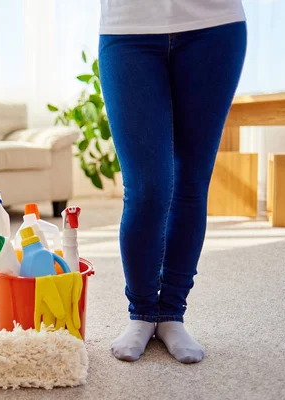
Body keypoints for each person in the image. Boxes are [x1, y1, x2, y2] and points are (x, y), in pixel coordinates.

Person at [97, 0, 247, 363]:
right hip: (128, 29)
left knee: (191, 181)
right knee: (147, 188)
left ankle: (171, 313)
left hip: (214, 26)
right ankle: (143, 311)